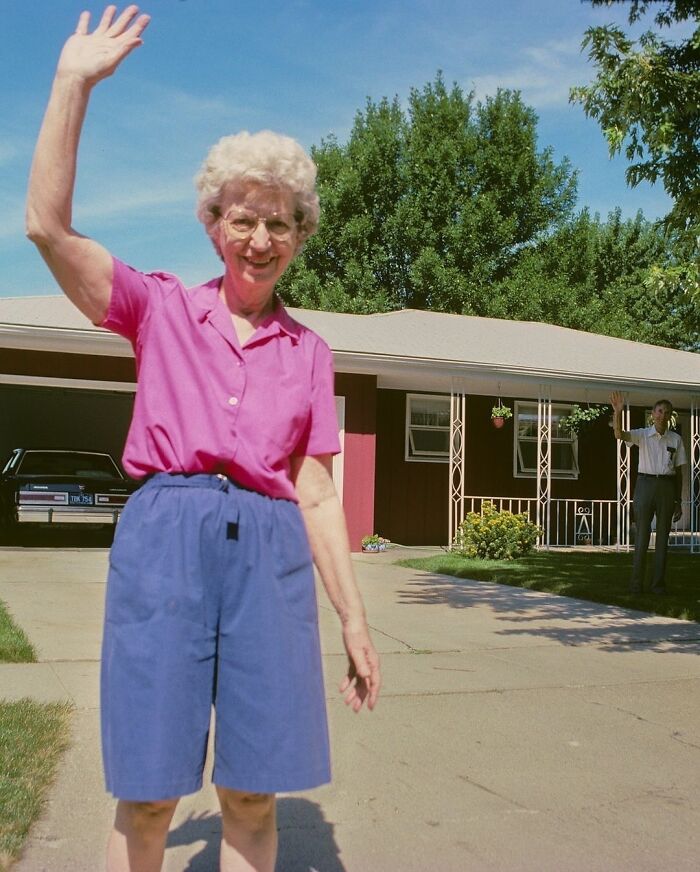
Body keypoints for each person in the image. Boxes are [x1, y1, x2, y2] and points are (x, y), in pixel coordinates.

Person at [26, 7, 381, 872]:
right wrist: (73, 83)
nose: (260, 239)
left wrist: (355, 619)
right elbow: (46, 227)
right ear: (212, 223)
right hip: (166, 540)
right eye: (242, 218)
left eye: (281, 222)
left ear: (300, 236)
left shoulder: (311, 354)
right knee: (148, 793)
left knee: (254, 793)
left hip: (269, 552)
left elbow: (317, 491)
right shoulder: (157, 310)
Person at [610, 391, 686, 595]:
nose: (663, 415)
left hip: (667, 488)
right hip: (645, 484)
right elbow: (619, 435)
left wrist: (678, 501)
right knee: (642, 536)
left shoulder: (676, 439)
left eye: (667, 412)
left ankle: (658, 585)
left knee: (663, 538)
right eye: (660, 411)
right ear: (653, 414)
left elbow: (679, 472)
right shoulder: (643, 435)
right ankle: (636, 585)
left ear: (670, 416)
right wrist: (617, 413)